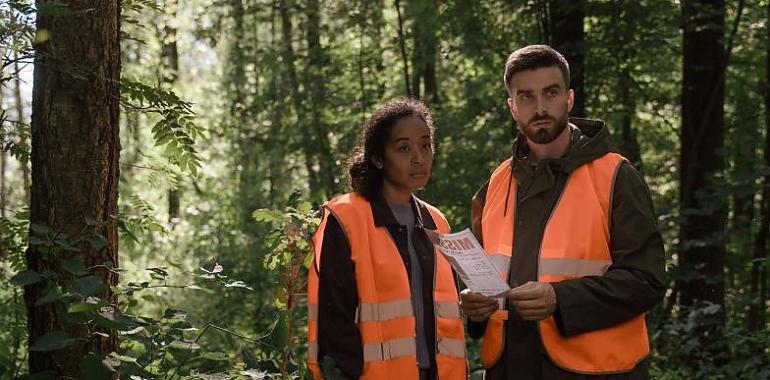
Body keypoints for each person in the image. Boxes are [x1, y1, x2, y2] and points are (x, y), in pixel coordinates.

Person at [459, 45, 666, 379]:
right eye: (526, 97)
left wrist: (560, 299)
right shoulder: (496, 183)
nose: (540, 107)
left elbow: (648, 281)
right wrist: (476, 308)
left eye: (550, 93)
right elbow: (484, 277)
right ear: (512, 107)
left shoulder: (616, 176)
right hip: (510, 367)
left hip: (596, 372)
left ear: (568, 99)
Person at [306, 99, 467, 380]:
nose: (419, 157)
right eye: (404, 148)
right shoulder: (345, 218)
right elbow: (333, 322)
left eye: (425, 145)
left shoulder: (436, 222)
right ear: (378, 158)